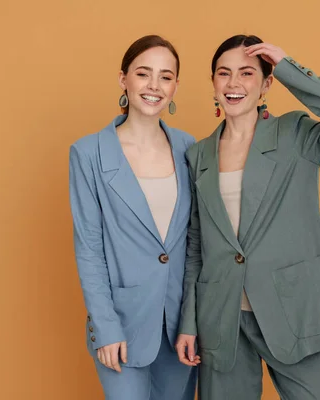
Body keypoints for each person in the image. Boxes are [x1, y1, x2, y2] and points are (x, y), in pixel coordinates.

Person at [176, 34, 320, 400]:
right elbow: (196, 247)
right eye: (223, 73)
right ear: (213, 83)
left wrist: (288, 67)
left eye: (247, 73)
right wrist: (189, 323)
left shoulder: (296, 135)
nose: (233, 84)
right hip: (223, 319)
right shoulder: (199, 155)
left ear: (266, 84)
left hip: (292, 310)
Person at [69, 35, 198, 400]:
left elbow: (194, 245)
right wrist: (106, 326)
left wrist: (191, 321)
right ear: (123, 79)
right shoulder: (88, 153)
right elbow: (89, 248)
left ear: (175, 86)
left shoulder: (190, 149)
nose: (154, 86)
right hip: (121, 324)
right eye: (144, 73)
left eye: (166, 76)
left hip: (179, 329)